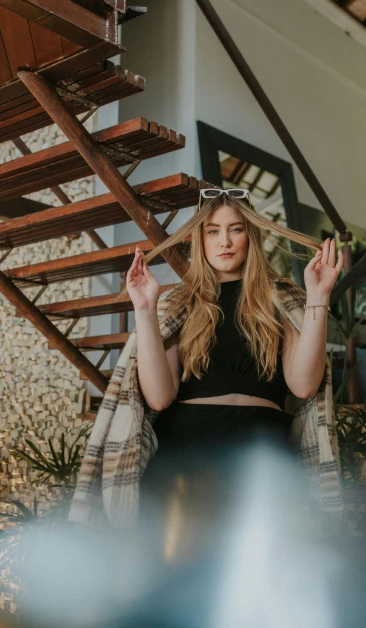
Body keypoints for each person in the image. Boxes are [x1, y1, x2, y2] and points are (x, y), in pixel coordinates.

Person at [69, 188, 344, 532]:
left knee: (264, 579)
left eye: (236, 229)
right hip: (187, 455)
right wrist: (144, 308)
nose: (224, 241)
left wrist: (318, 297)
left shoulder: (281, 298)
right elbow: (159, 396)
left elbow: (304, 386)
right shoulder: (180, 305)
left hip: (263, 455)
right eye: (212, 230)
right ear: (200, 240)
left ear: (251, 235)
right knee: (184, 579)